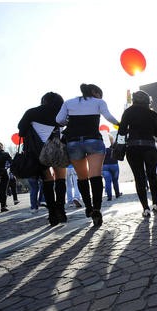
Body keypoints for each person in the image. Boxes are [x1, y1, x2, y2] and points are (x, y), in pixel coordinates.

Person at [56, 84, 120, 227]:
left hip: (73, 142)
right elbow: (109, 116)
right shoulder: (99, 102)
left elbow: (59, 120)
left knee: (82, 177)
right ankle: (97, 209)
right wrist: (120, 125)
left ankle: (88, 207)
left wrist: (69, 121)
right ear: (95, 92)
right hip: (93, 140)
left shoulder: (68, 102)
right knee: (95, 176)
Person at [18, 92, 67, 225]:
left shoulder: (31, 112)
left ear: (43, 100)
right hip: (59, 148)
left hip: (40, 151)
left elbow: (21, 130)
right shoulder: (63, 112)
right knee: (61, 179)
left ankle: (52, 214)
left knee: (47, 180)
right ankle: (61, 210)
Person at [118, 91, 157, 218]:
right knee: (152, 175)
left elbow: (122, 131)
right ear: (148, 100)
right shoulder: (153, 113)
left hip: (133, 147)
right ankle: (155, 203)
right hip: (149, 146)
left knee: (139, 177)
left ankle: (145, 208)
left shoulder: (128, 112)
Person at [102, 137, 122, 202]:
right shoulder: (115, 145)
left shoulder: (102, 146)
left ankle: (109, 196)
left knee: (107, 182)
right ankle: (117, 194)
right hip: (114, 165)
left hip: (104, 166)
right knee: (115, 180)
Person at [0, 142, 12, 213]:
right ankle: (3, 206)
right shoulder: (5, 154)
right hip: (3, 174)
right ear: (1, 147)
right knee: (3, 191)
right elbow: (11, 163)